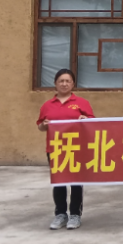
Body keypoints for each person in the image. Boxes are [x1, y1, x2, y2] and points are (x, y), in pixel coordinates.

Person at [37, 69, 95, 230]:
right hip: (55, 149)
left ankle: (75, 214)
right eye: (61, 81)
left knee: (76, 182)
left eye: (67, 81)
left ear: (73, 84)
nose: (64, 84)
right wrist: (44, 125)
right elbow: (40, 126)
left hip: (77, 148)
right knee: (59, 182)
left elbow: (93, 123)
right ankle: (60, 214)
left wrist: (85, 119)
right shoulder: (47, 105)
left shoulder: (82, 103)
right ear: (55, 83)